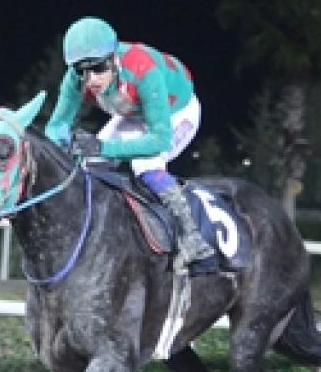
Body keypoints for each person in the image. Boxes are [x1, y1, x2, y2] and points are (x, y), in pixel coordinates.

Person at [44, 16, 214, 270]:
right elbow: (56, 127)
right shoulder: (75, 79)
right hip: (132, 112)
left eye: (98, 68)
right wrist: (66, 143)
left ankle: (192, 237)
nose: (90, 79)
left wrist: (104, 148)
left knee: (145, 164)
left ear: (114, 58)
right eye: (81, 70)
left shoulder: (143, 68)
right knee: (86, 163)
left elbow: (159, 140)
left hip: (177, 112)